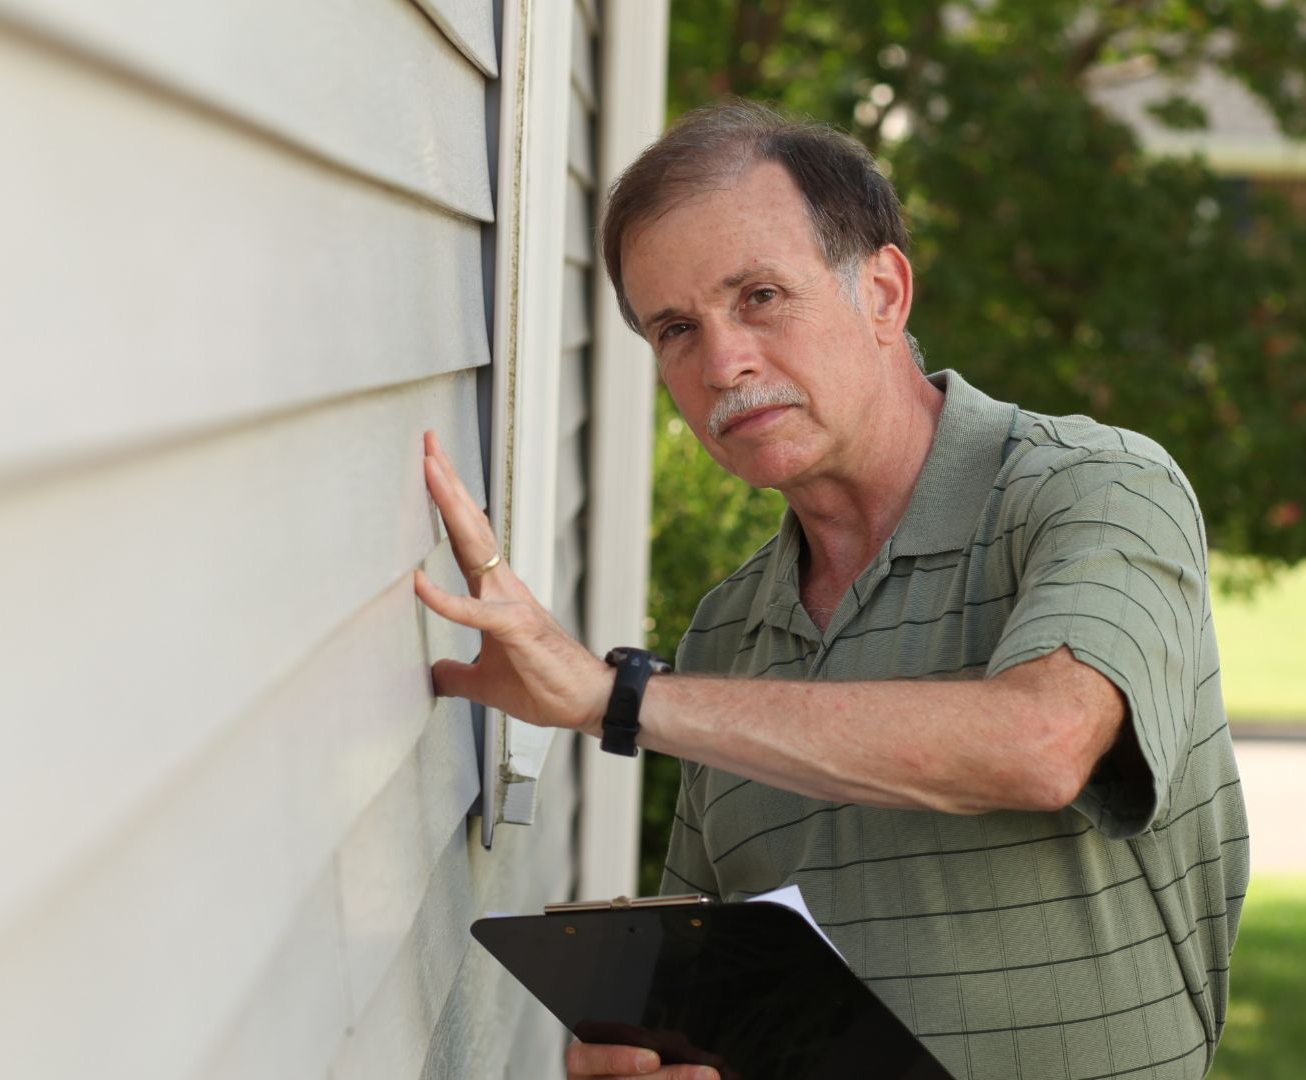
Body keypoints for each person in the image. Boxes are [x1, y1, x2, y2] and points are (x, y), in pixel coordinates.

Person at [414, 101, 1247, 1080]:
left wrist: (616, 696)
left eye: (760, 296)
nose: (724, 362)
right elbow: (710, 994)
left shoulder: (1093, 487)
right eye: (676, 328)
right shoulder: (729, 630)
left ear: (885, 293)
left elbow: (1046, 744)